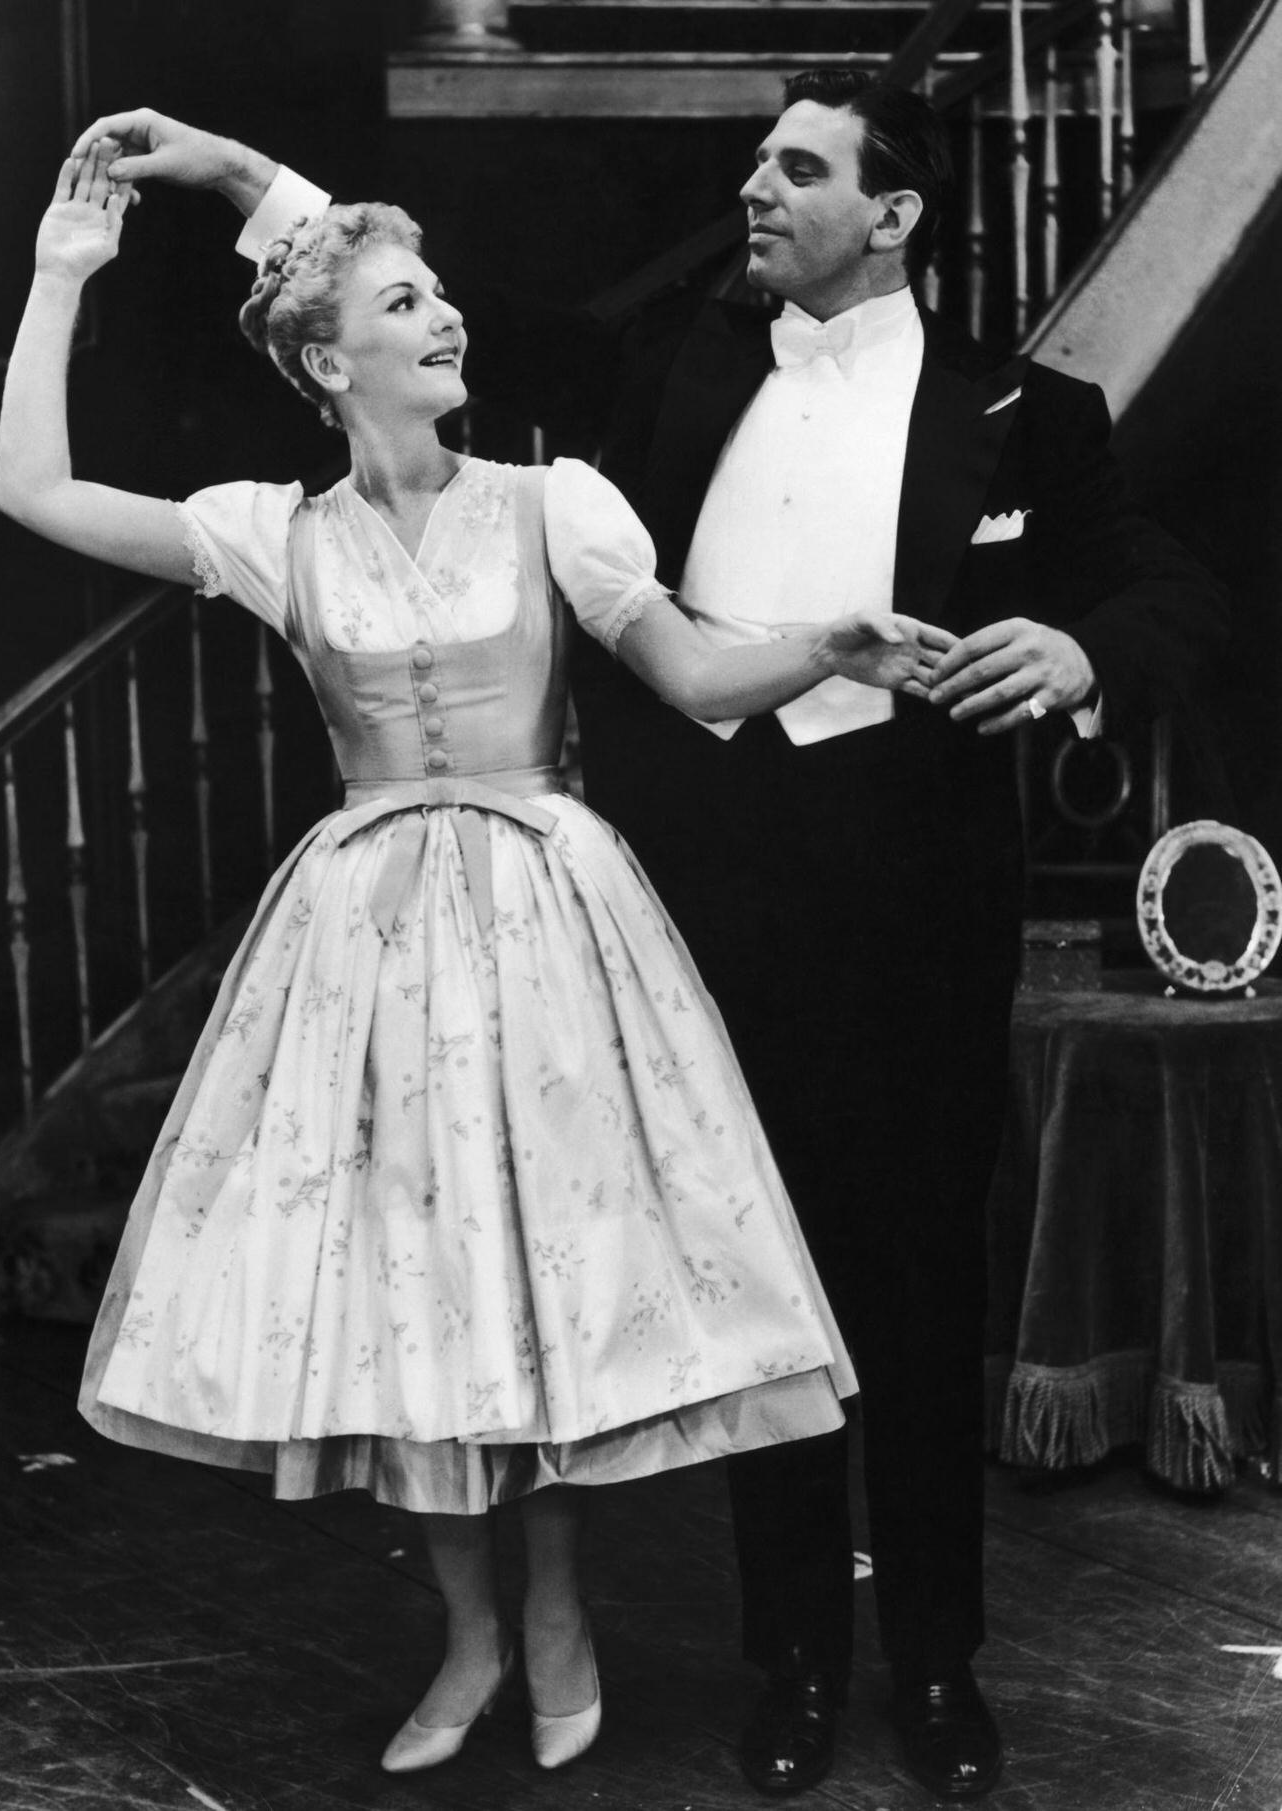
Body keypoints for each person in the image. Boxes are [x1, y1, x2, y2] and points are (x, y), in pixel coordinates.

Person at [69, 77, 1228, 1801]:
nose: (753, 185)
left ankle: (934, 1670)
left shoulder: (1028, 409)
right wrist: (242, 174)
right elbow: (420, 319)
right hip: (696, 912)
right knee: (758, 1298)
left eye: (797, 167)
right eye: (762, 157)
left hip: (917, 903)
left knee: (916, 1293)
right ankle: (794, 1667)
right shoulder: (675, 370)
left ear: (892, 212)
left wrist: (1075, 653)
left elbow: (1169, 591)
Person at [0, 145, 960, 1779]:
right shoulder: (266, 534)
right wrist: (60, 278)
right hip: (367, 941)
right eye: (401, 300)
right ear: (325, 362)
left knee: (549, 1273)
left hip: (547, 923)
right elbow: (32, 491)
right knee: (410, 1288)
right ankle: (469, 1634)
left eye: (435, 292)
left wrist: (832, 642)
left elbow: (701, 678)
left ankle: (562, 1616)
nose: (444, 316)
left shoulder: (552, 504)